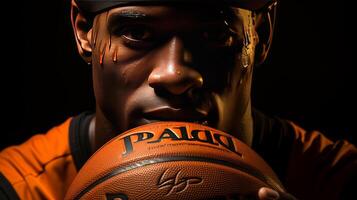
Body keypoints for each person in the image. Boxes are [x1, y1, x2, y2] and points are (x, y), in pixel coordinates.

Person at [0, 0, 356, 199]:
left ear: (259, 35)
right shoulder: (19, 187)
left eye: (216, 34)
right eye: (136, 32)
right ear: (84, 31)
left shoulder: (338, 180)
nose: (175, 74)